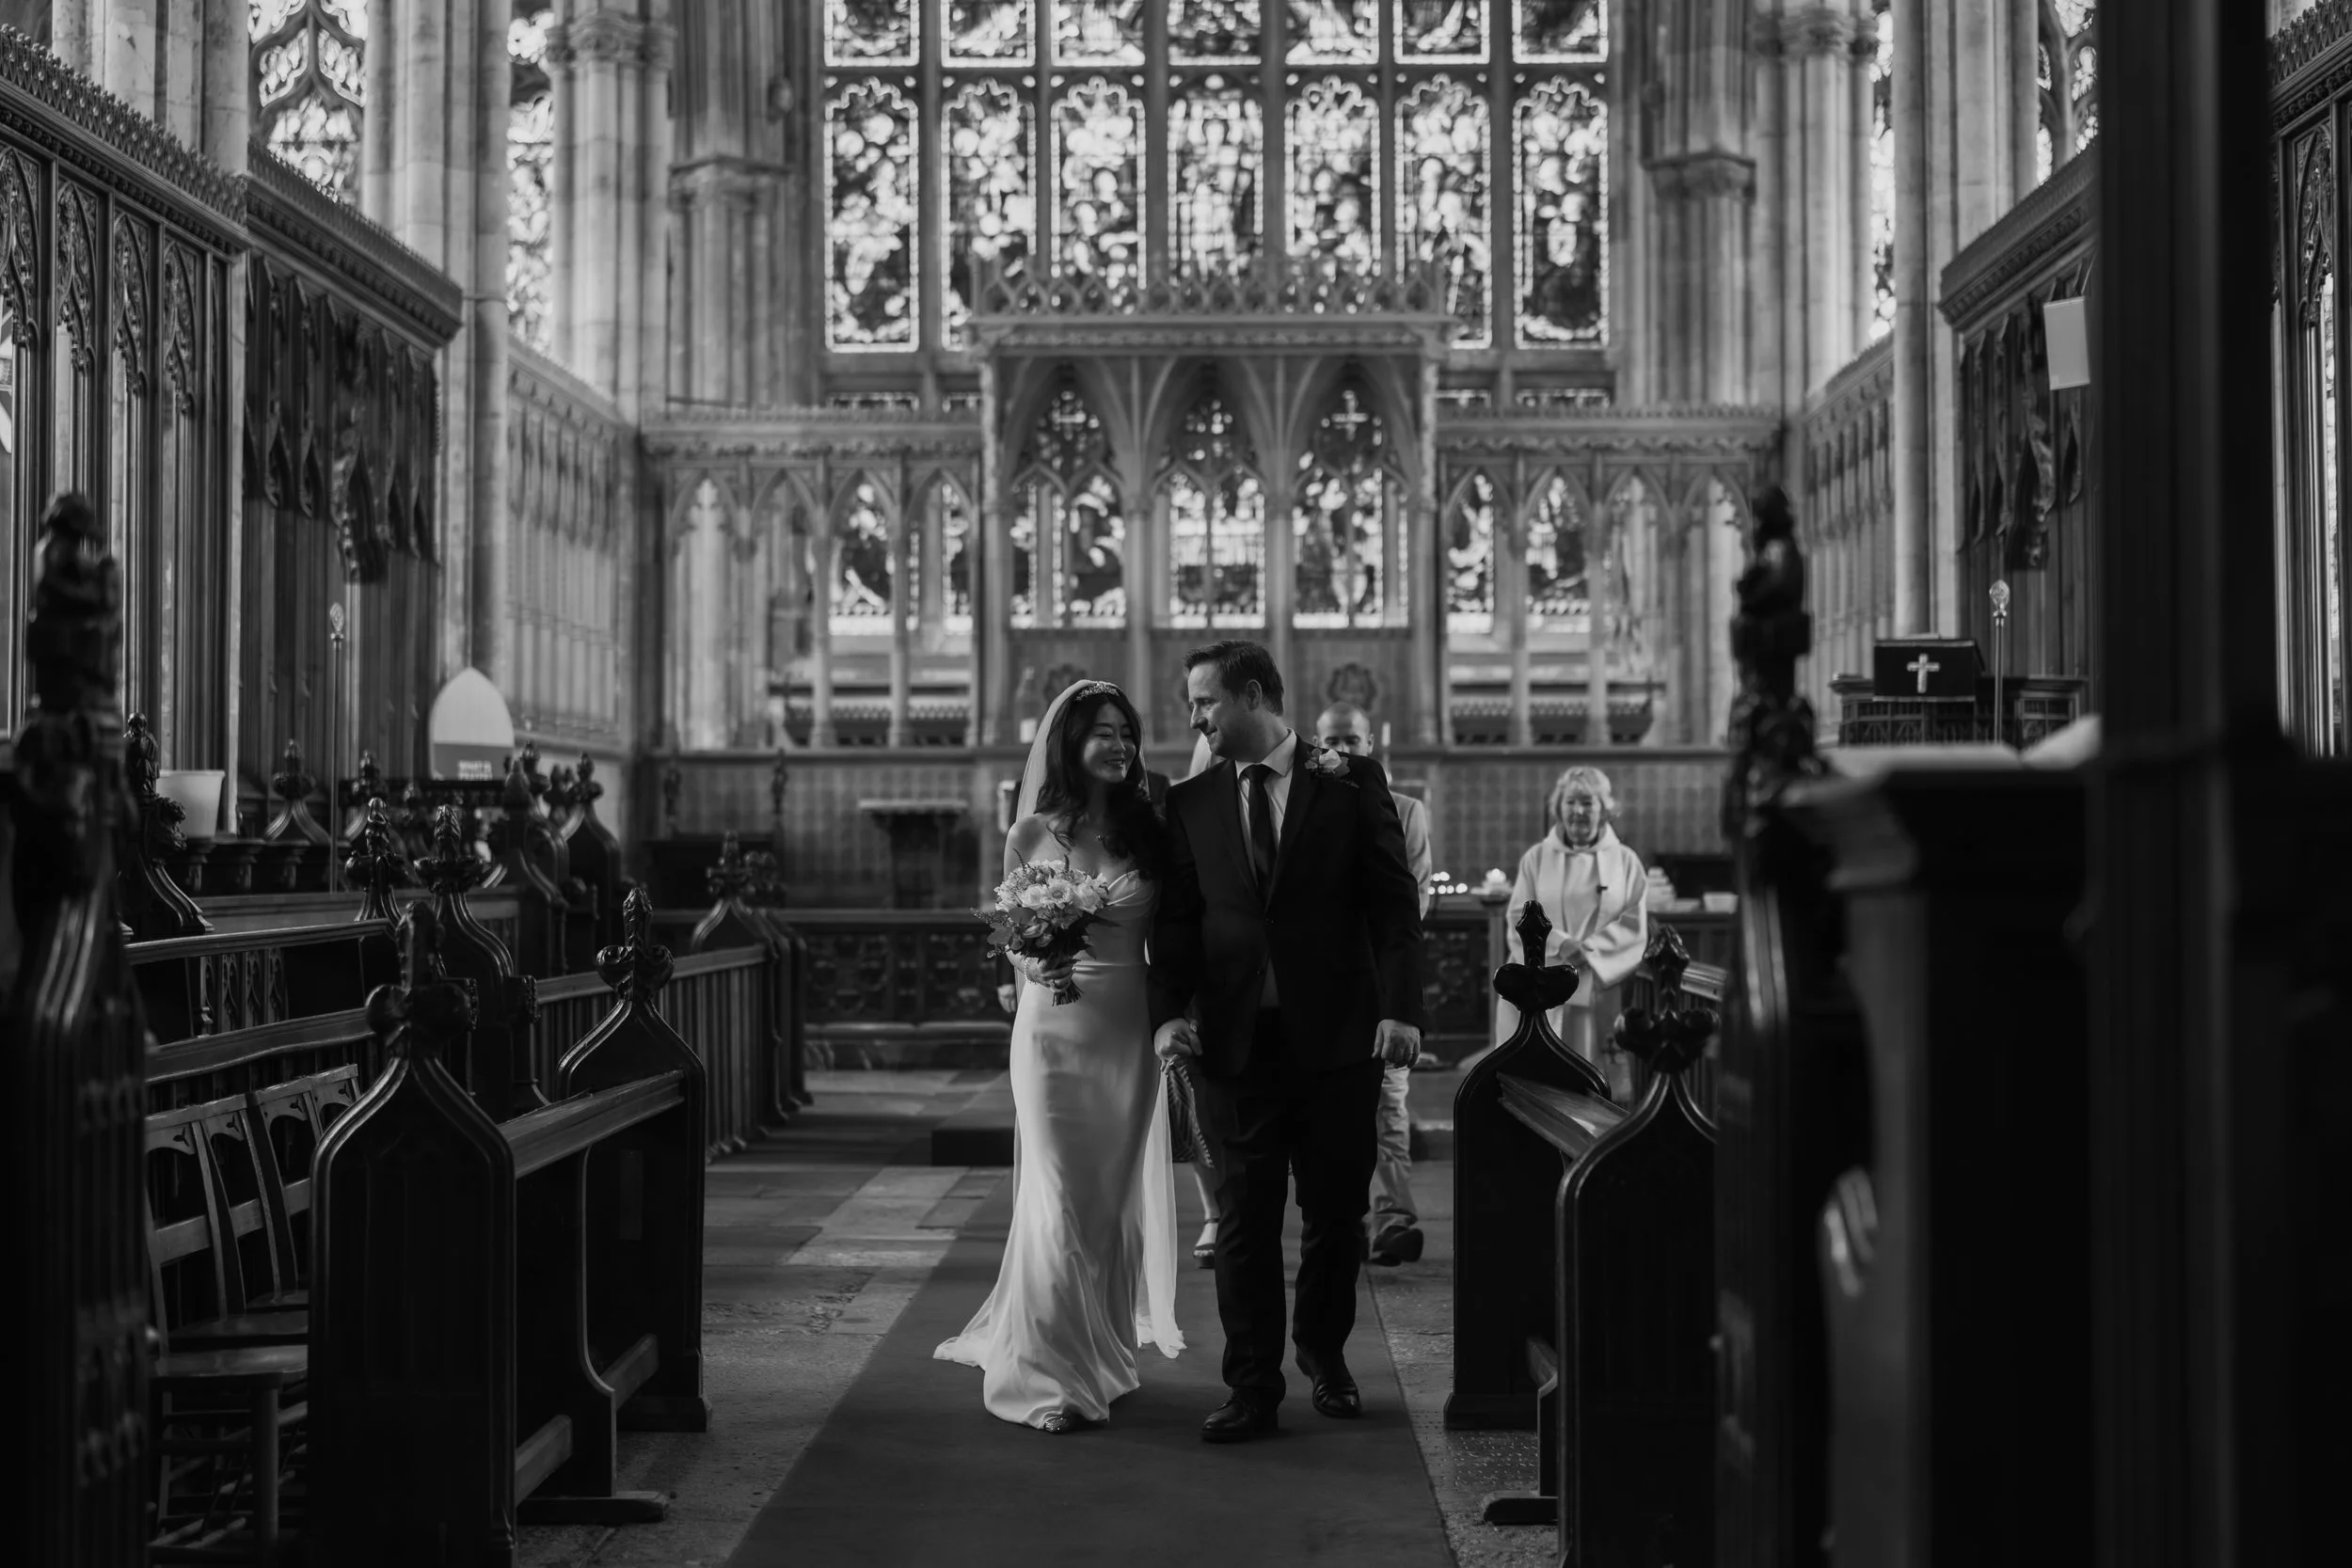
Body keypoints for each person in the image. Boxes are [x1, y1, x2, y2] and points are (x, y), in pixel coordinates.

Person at [1151, 641, 1426, 1444]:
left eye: (1204, 701)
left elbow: (1391, 906)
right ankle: (1251, 1385)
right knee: (1243, 1221)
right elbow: (1177, 923)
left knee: (1336, 1216)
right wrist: (1168, 1011)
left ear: (1254, 695)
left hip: (1339, 1038)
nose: (1195, 717)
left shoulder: (1348, 782)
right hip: (1234, 1044)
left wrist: (1402, 1009)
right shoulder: (1193, 802)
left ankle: (1325, 1356)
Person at [936, 682, 1184, 1433]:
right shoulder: (1030, 833)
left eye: (1126, 733)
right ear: (1069, 744)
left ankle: (1101, 1351)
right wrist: (1032, 961)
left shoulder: (1152, 830)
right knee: (1058, 1197)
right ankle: (1048, 1377)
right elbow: (1014, 936)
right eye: (1102, 733)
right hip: (1050, 1032)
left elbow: (1173, 936)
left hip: (1125, 1027)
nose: (1118, 745)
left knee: (1105, 1206)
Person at [1313, 702, 1433, 1268]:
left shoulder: (1406, 810)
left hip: (1381, 983)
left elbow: (1411, 899)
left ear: (1371, 744)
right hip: (1328, 989)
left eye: (1353, 740)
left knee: (1388, 1103)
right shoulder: (1308, 804)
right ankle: (1346, 1220)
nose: (1343, 749)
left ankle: (1393, 1218)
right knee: (1334, 1114)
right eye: (1332, 740)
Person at [1492, 766, 1650, 1082]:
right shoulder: (1536, 858)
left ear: (1604, 809)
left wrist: (1589, 951)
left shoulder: (1625, 861)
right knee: (1528, 1084)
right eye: (1570, 802)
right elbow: (1515, 917)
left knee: (1584, 1086)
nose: (1578, 811)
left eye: (1588, 802)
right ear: (1558, 808)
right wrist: (1562, 943)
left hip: (1595, 988)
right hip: (1535, 986)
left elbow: (1635, 925)